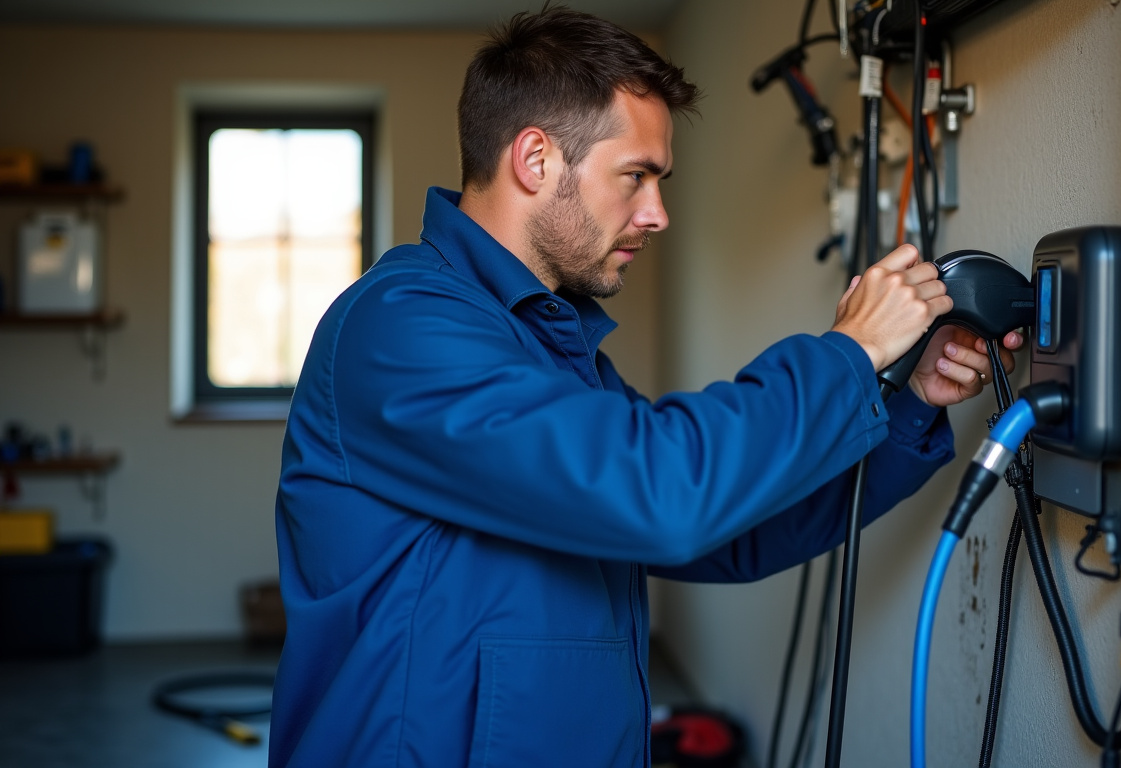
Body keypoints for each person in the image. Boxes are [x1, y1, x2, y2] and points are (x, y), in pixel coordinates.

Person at [268, 6, 1022, 768]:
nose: (657, 214)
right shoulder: (404, 327)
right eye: (636, 176)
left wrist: (904, 404)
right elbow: (662, 493)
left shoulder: (545, 343)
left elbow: (727, 525)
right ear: (534, 160)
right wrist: (850, 353)